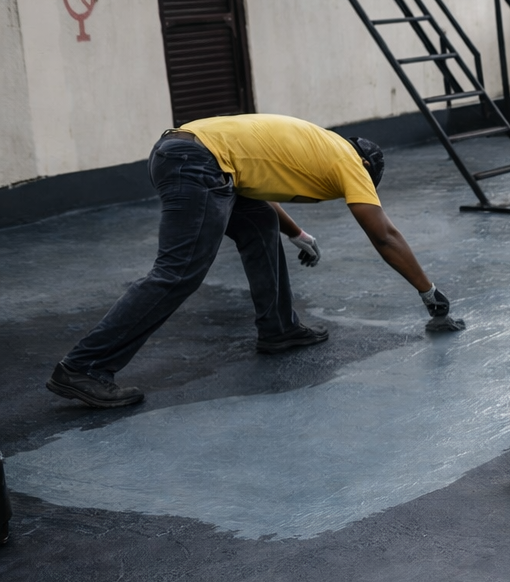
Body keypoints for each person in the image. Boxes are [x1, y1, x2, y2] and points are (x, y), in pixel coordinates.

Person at [46, 113, 465, 409]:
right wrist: (428, 293)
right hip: (197, 163)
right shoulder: (351, 163)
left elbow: (256, 184)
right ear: (368, 171)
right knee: (178, 273)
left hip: (190, 152)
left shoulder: (322, 144)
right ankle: (84, 367)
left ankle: (279, 329)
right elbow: (383, 234)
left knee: (259, 220)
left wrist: (298, 235)